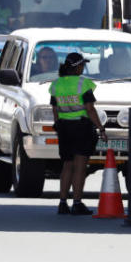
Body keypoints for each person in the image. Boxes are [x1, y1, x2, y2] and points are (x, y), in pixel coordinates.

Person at [50, 52, 108, 215]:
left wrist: (58, 126)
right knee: (80, 167)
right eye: (82, 65)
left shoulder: (56, 84)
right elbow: (90, 109)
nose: (84, 68)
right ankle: (76, 203)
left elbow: (55, 110)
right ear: (77, 67)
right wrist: (101, 129)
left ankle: (62, 203)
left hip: (64, 128)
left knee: (67, 165)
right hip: (81, 128)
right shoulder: (83, 84)